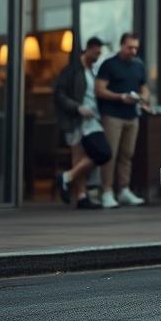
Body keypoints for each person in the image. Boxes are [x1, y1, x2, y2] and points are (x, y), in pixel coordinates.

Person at [53, 36, 111, 210]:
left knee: (100, 153)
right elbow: (60, 95)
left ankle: (68, 178)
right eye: (97, 52)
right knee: (81, 156)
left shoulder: (92, 71)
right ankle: (81, 196)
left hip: (92, 120)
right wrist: (77, 108)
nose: (99, 55)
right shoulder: (72, 70)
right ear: (89, 49)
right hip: (76, 120)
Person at [94, 32, 150, 208]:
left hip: (132, 116)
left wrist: (142, 97)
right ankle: (107, 191)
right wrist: (120, 97)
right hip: (112, 115)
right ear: (121, 46)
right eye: (129, 47)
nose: (133, 51)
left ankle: (124, 190)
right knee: (110, 154)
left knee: (127, 155)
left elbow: (144, 86)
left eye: (135, 48)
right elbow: (99, 90)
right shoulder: (109, 65)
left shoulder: (138, 65)